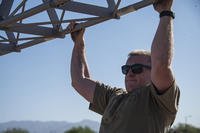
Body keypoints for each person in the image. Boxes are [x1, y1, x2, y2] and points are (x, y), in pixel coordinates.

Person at [69, 0, 180, 132]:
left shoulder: (159, 99)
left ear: (153, 72)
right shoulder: (114, 96)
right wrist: (78, 44)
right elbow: (79, 81)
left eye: (137, 69)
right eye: (126, 69)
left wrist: (165, 12)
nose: (129, 73)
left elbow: (161, 64)